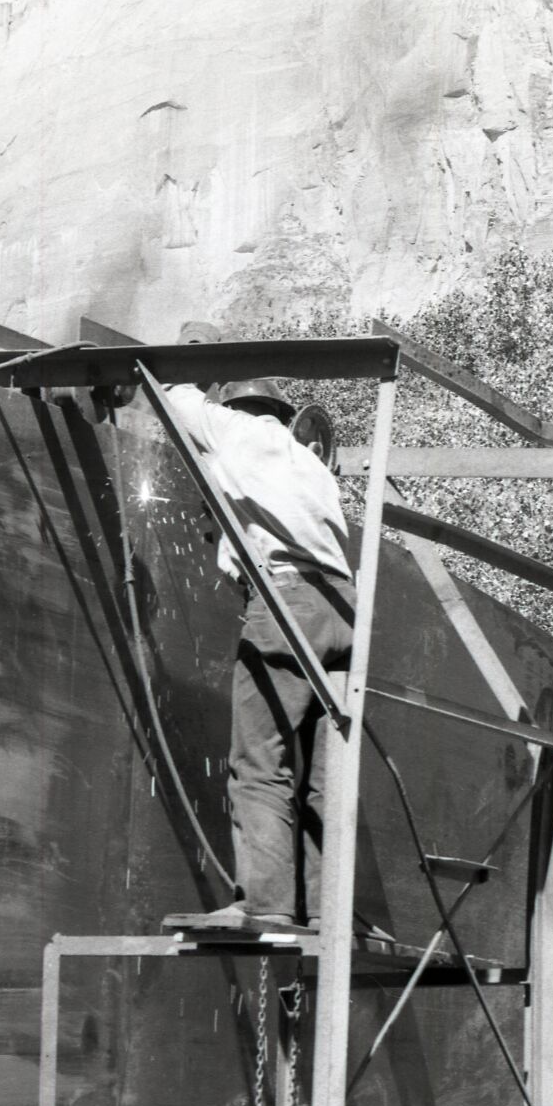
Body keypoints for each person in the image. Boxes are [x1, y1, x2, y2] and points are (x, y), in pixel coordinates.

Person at [152, 342, 357, 933]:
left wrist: (192, 351)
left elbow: (175, 397)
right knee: (325, 776)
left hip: (286, 602)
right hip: (342, 611)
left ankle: (265, 905)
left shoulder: (233, 431)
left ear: (238, 406)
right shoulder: (310, 460)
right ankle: (325, 911)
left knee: (260, 762)